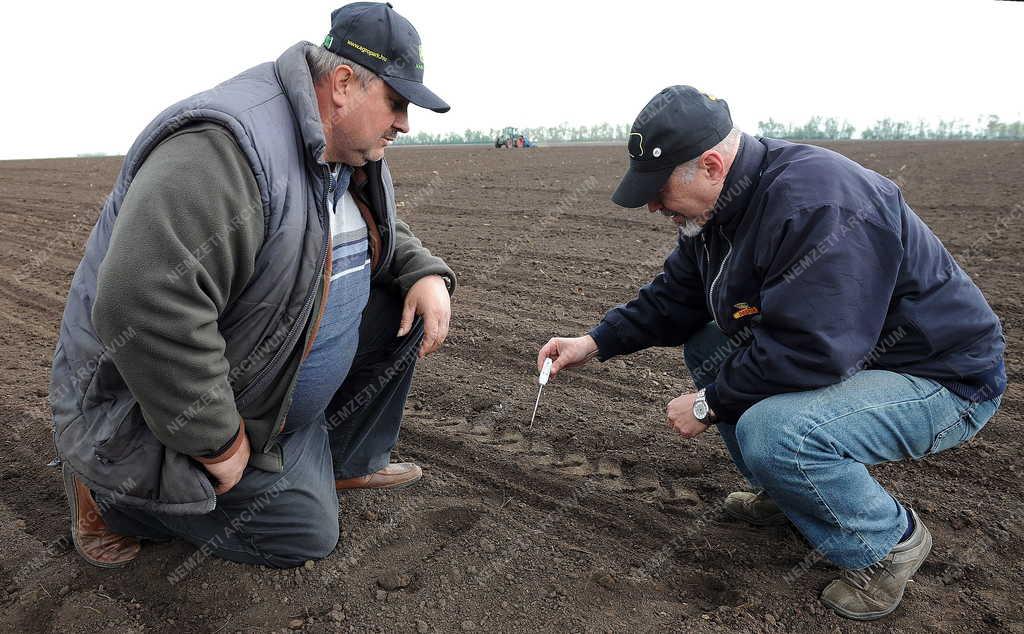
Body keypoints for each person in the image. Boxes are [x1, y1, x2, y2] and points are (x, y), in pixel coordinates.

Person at [537, 86, 1005, 620]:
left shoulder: (818, 203)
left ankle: (886, 546)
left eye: (658, 188)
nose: (651, 204)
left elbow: (815, 349)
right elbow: (676, 298)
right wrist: (594, 342)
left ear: (711, 165)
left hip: (941, 377)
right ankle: (791, 497)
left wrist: (707, 403)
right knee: (712, 340)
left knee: (777, 433)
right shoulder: (721, 211)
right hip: (857, 356)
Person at [51, 3, 456, 569]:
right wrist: (218, 441)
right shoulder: (226, 148)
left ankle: (338, 459)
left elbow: (364, 225)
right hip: (147, 406)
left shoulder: (345, 148)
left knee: (402, 309)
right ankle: (110, 495)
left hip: (270, 374)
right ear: (342, 84)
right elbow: (143, 302)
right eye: (397, 102)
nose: (405, 123)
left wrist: (423, 270)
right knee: (304, 536)